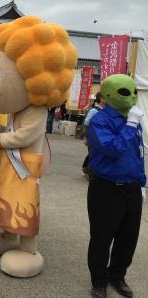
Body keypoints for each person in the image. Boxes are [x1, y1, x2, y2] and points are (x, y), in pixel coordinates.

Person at [86, 74, 144, 298]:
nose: (131, 97)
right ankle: (99, 281)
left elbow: (137, 154)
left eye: (134, 92)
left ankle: (117, 276)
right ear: (107, 95)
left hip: (131, 188)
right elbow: (113, 148)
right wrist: (130, 125)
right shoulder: (100, 121)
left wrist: (141, 181)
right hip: (106, 188)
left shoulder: (133, 119)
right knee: (102, 237)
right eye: (124, 92)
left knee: (128, 238)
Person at [82, 93, 106, 179]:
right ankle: (88, 171)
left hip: (101, 137)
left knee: (94, 153)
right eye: (105, 97)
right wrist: (86, 137)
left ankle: (86, 169)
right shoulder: (94, 110)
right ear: (100, 98)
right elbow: (86, 122)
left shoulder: (105, 110)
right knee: (92, 154)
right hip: (93, 136)